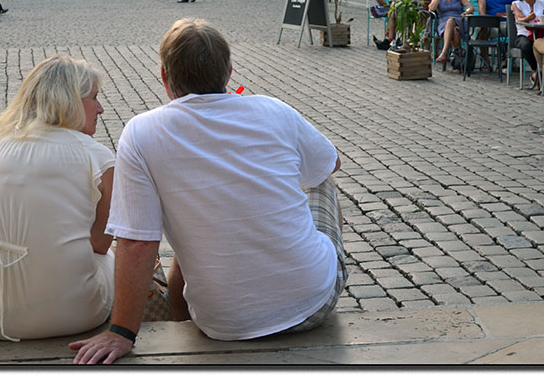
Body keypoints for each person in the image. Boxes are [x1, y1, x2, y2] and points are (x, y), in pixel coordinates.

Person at [70, 19, 345, 364]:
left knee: (199, 214)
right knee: (322, 182)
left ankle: (181, 317)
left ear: (165, 79)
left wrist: (122, 331)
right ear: (228, 72)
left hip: (221, 322)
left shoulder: (141, 133)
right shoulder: (275, 110)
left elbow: (138, 241)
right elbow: (330, 163)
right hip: (312, 302)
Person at [0, 55, 114, 341]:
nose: (100, 109)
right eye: (94, 98)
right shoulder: (97, 156)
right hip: (72, 315)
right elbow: (101, 243)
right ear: (71, 102)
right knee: (122, 253)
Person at [511, 0, 544, 90]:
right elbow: (519, 19)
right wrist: (528, 18)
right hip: (524, 34)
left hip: (540, 34)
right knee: (527, 45)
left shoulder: (543, 4)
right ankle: (536, 71)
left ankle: (542, 75)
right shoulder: (517, 4)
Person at [429, 0, 473, 68]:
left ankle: (444, 53)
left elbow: (470, 7)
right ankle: (457, 60)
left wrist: (465, 12)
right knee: (454, 30)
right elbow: (432, 8)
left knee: (451, 20)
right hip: (443, 24)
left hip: (458, 20)